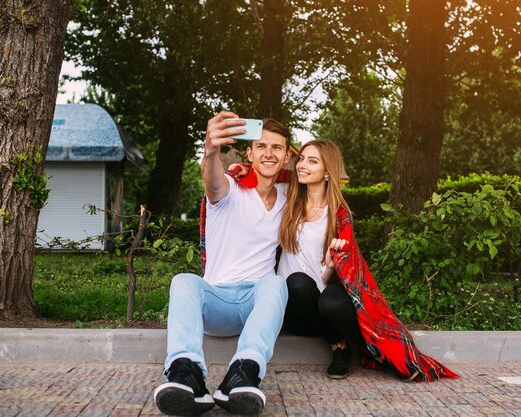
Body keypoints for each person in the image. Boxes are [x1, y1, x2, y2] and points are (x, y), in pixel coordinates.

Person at [276, 140, 459, 381]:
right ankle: (339, 346)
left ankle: (379, 353)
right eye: (301, 159)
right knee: (297, 282)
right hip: (297, 310)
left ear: (328, 172)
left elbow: (339, 277)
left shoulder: (339, 215)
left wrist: (333, 265)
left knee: (330, 300)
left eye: (312, 161)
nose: (302, 165)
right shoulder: (286, 200)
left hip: (325, 306)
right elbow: (264, 174)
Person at [153, 111, 292, 417]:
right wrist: (211, 150)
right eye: (262, 146)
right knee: (184, 280)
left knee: (276, 283)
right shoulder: (230, 186)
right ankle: (185, 373)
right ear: (250, 152)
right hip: (218, 301)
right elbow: (212, 182)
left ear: (286, 156)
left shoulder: (288, 197)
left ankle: (242, 374)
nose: (269, 153)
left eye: (277, 148)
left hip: (257, 303)